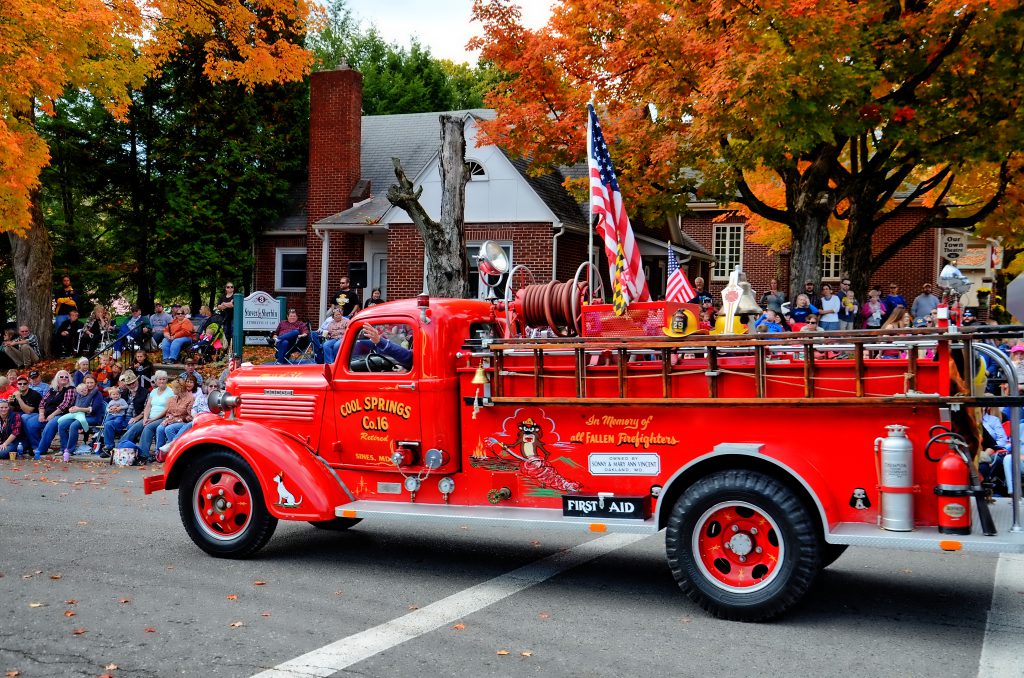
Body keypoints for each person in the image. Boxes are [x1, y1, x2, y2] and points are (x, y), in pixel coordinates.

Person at [119, 370, 172, 462]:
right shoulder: (154, 392)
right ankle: (120, 449)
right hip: (150, 418)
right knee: (134, 428)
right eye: (159, 379)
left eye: (164, 379)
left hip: (162, 418)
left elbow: (167, 409)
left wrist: (152, 419)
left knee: (148, 428)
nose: (162, 381)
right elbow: (148, 406)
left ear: (166, 380)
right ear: (156, 381)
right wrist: (145, 418)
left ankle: (144, 455)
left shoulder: (170, 392)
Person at [27, 370, 76, 459]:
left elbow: (65, 405)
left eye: (66, 377)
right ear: (57, 378)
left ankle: (41, 449)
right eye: (61, 377)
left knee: (50, 425)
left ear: (69, 379)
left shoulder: (70, 389)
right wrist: (41, 414)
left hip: (62, 415)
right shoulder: (52, 389)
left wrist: (52, 415)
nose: (64, 378)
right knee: (31, 423)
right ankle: (36, 446)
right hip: (47, 414)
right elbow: (42, 402)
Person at [57, 377, 104, 461]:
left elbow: (94, 409)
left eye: (91, 382)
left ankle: (70, 450)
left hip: (93, 417)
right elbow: (77, 405)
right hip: (79, 415)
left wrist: (78, 409)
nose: (89, 385)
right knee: (62, 425)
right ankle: (64, 448)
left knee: (74, 425)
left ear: (95, 383)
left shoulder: (97, 394)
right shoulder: (80, 392)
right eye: (88, 383)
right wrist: (72, 409)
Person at [101, 371, 145, 457]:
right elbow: (112, 395)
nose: (132, 386)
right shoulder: (124, 392)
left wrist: (137, 417)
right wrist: (113, 408)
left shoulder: (144, 392)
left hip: (136, 417)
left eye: (133, 383)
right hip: (121, 416)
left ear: (137, 381)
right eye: (129, 384)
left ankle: (126, 450)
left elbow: (147, 408)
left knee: (130, 426)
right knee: (108, 424)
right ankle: (109, 447)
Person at [155, 379, 194, 452]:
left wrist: (176, 420)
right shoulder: (172, 398)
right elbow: (169, 413)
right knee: (160, 428)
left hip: (183, 422)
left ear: (179, 389)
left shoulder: (190, 398)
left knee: (168, 429)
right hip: (171, 421)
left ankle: (175, 451)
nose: (171, 389)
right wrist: (167, 419)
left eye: (173, 388)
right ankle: (159, 453)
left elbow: (190, 417)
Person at [9, 375, 42, 455]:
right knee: (10, 416)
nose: (22, 385)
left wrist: (19, 399)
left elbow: (28, 411)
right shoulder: (15, 394)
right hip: (21, 414)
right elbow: (11, 408)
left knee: (23, 417)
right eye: (20, 384)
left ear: (28, 384)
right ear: (17, 385)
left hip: (36, 415)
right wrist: (9, 402)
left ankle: (35, 445)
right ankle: (14, 442)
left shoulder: (34, 394)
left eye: (24, 383)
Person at [99, 386, 129, 456]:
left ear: (120, 395)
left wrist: (120, 408)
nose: (116, 396)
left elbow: (126, 406)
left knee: (117, 422)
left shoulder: (121, 400)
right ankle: (108, 445)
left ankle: (117, 431)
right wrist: (110, 410)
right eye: (114, 394)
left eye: (117, 394)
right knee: (106, 423)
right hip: (112, 415)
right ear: (110, 396)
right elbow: (107, 409)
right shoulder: (111, 402)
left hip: (119, 415)